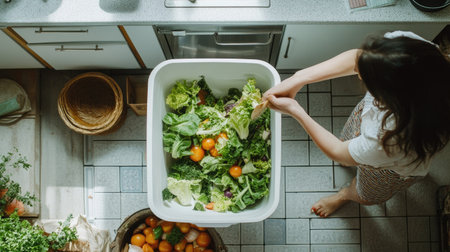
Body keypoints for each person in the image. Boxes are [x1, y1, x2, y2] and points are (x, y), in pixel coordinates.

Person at [263, 31, 450, 218]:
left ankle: (344, 196)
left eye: (368, 80)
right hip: (369, 126)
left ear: (393, 100)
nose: (360, 76)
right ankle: (353, 160)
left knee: (367, 194)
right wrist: (299, 78)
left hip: (390, 170)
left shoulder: (389, 141)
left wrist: (296, 110)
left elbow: (339, 152)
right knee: (350, 143)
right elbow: (357, 58)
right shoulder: (417, 56)